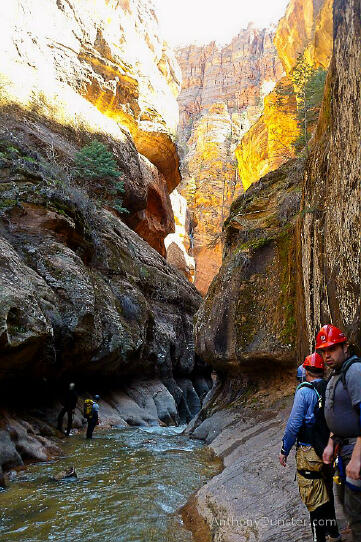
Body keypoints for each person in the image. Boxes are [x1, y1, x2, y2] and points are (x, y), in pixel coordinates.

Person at [279, 353, 341, 542]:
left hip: (309, 452)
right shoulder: (330, 386)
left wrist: (284, 450)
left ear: (306, 371)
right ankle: (334, 533)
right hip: (329, 449)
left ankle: (319, 538)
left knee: (314, 498)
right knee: (326, 489)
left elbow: (294, 425)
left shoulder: (304, 391)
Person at [317, 324, 361, 541]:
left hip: (356, 450)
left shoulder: (354, 371)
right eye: (323, 351)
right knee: (346, 503)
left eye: (332, 349)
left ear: (345, 347)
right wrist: (331, 442)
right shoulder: (336, 375)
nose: (327, 355)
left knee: (356, 510)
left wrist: (357, 458)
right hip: (343, 451)